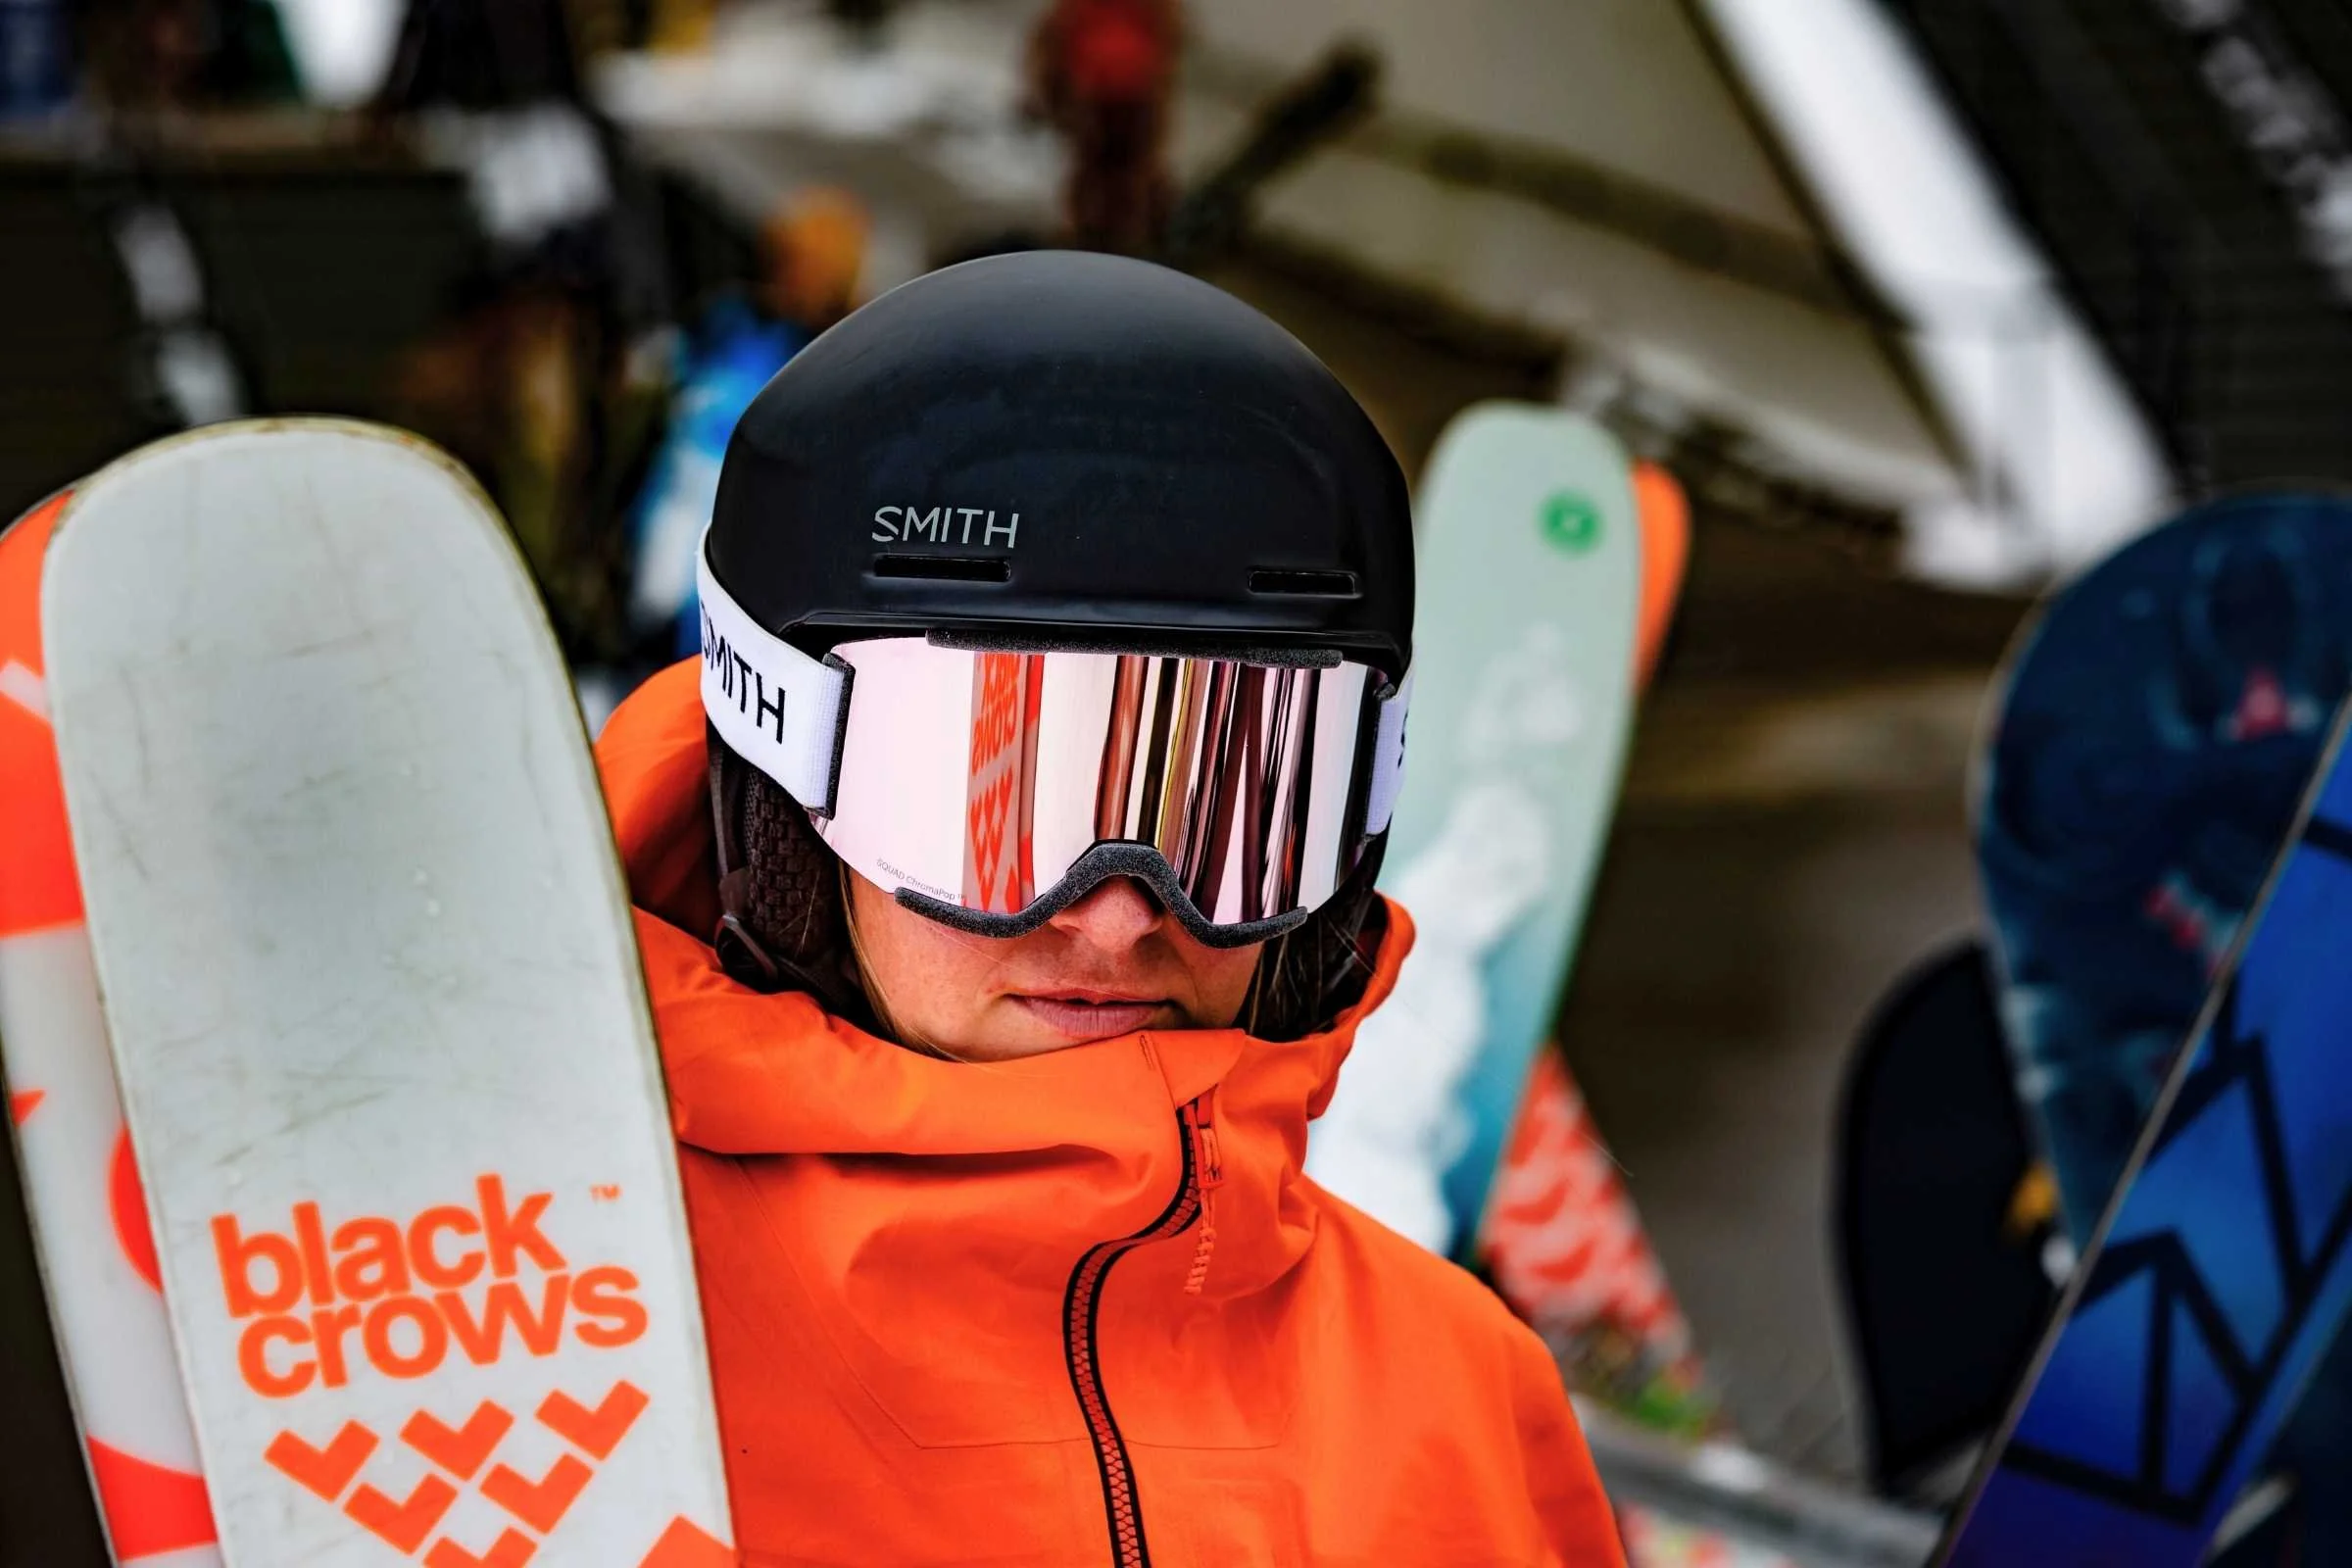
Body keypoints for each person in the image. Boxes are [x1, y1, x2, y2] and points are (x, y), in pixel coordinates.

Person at [594, 250, 1626, 1565]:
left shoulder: (1460, 1397)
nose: (1126, 914)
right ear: (789, 796)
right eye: (999, 801)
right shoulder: (557, 1356)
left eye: (1235, 803)